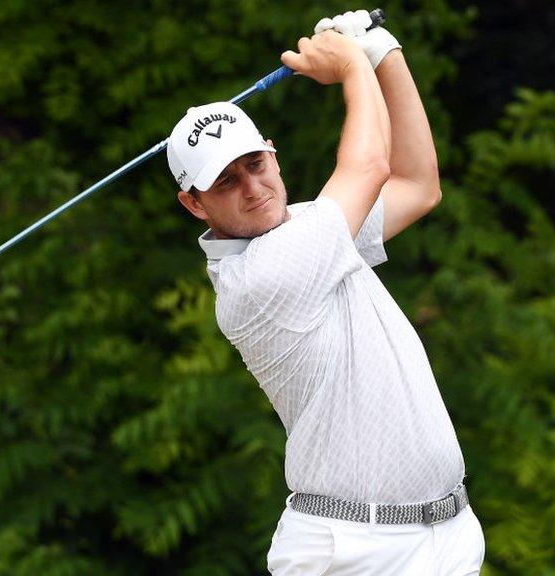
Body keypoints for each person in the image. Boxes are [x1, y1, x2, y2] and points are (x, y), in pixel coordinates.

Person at [166, 10, 485, 575]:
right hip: (352, 552)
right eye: (226, 181)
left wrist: (385, 52)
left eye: (255, 164)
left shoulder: (314, 228)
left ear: (272, 151)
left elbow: (418, 184)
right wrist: (351, 66)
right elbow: (369, 165)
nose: (253, 187)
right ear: (194, 203)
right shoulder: (260, 277)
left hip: (446, 537)